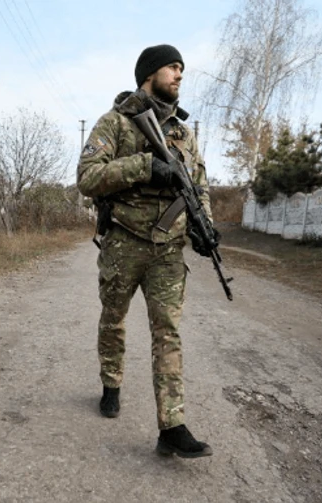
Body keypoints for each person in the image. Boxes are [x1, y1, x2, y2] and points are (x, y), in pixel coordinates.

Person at [77, 44, 213, 458]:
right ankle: (111, 383)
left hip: (169, 248)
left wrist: (205, 226)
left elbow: (199, 185)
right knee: (113, 320)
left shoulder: (183, 134)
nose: (179, 75)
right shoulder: (115, 123)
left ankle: (172, 425)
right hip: (123, 241)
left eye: (182, 69)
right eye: (172, 67)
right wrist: (144, 166)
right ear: (149, 73)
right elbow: (87, 177)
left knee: (167, 332)